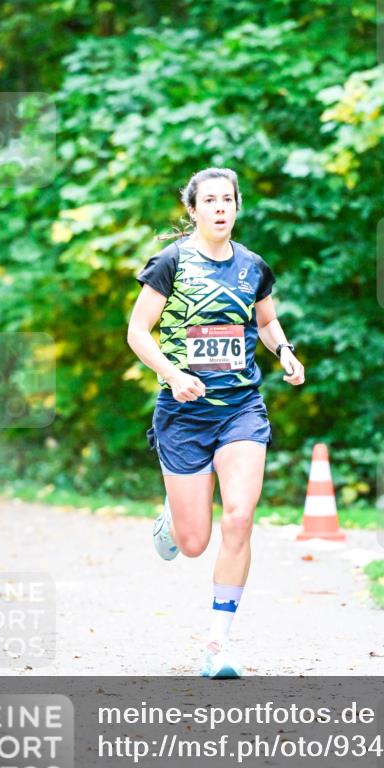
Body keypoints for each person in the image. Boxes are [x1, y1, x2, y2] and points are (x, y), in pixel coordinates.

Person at [127, 167, 305, 678]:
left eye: (228, 199)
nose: (220, 208)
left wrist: (286, 353)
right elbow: (140, 331)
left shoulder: (252, 267)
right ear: (193, 209)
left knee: (241, 518)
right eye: (210, 201)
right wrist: (171, 372)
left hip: (240, 408)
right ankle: (173, 509)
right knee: (193, 543)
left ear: (237, 206)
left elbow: (266, 322)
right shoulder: (171, 263)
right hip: (183, 413)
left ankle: (217, 644)